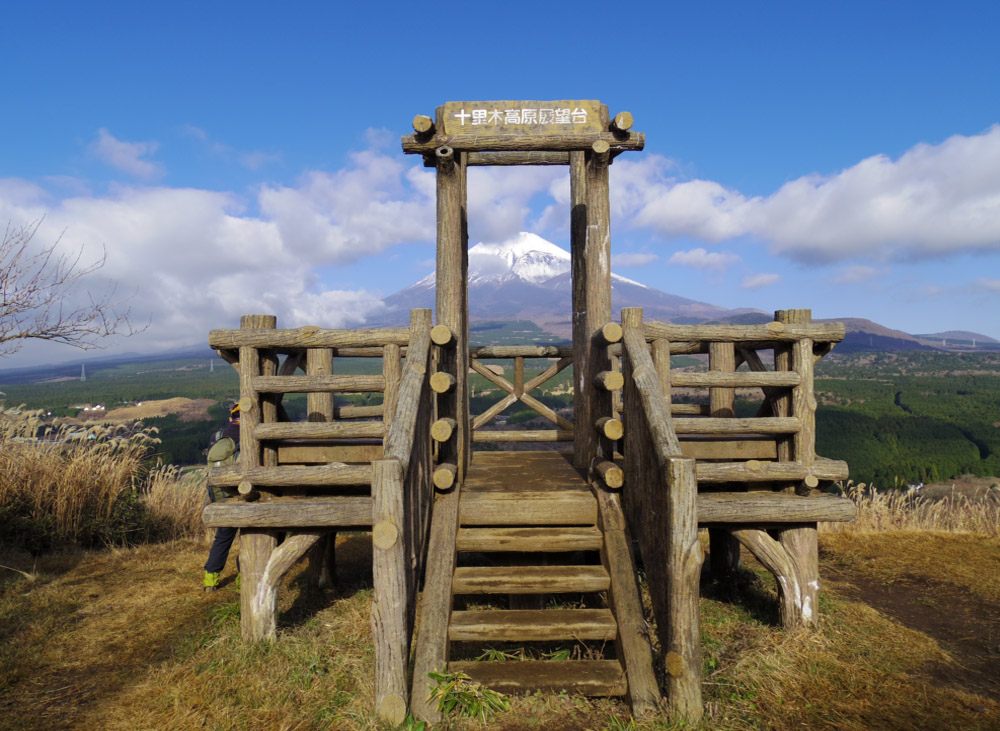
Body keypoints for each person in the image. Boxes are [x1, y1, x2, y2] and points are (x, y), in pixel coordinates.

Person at [203, 403, 240, 591]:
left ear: (230, 418)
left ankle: (210, 579)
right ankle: (244, 576)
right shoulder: (250, 435)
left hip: (220, 494)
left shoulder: (217, 437)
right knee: (250, 535)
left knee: (223, 537)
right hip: (243, 494)